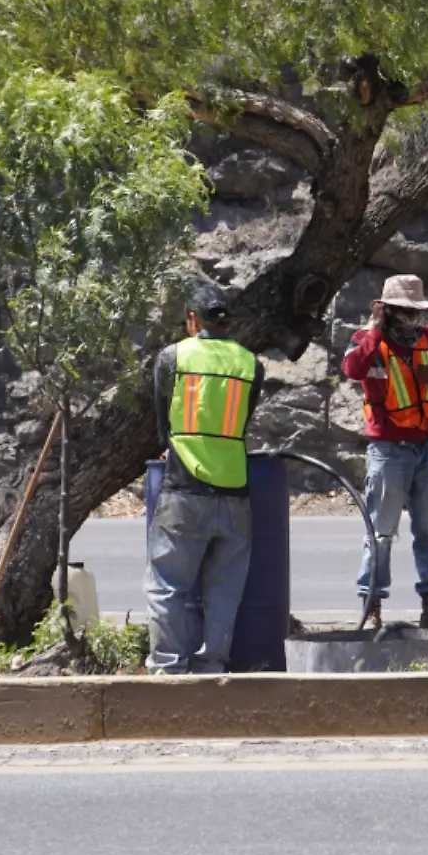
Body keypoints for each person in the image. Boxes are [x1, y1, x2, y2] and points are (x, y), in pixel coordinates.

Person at [341, 274, 428, 633]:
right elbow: (352, 369)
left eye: (416, 312)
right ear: (388, 310)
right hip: (388, 449)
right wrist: (373, 330)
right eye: (405, 312)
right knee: (381, 532)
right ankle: (371, 607)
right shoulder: (366, 341)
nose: (412, 320)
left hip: (425, 446)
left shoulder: (426, 339)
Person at [145, 285, 263, 674]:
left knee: (168, 586)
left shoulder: (173, 356)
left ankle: (167, 670)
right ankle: (213, 666)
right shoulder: (250, 363)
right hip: (235, 489)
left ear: (193, 321)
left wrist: (170, 443)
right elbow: (242, 419)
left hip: (184, 487)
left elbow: (163, 422)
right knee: (225, 591)